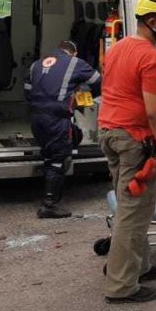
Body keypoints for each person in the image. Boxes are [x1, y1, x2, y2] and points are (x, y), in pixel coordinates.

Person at [98, 0, 156, 304]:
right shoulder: (151, 58)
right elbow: (155, 113)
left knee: (134, 208)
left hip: (110, 133)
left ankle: (138, 267)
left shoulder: (118, 48)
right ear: (153, 21)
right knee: (133, 215)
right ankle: (121, 285)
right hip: (135, 140)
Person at [24, 40, 101, 219]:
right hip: (57, 120)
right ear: (73, 53)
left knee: (50, 153)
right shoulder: (76, 63)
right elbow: (98, 81)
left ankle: (49, 190)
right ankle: (49, 205)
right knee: (58, 158)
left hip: (36, 118)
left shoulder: (36, 64)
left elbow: (27, 90)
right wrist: (86, 96)